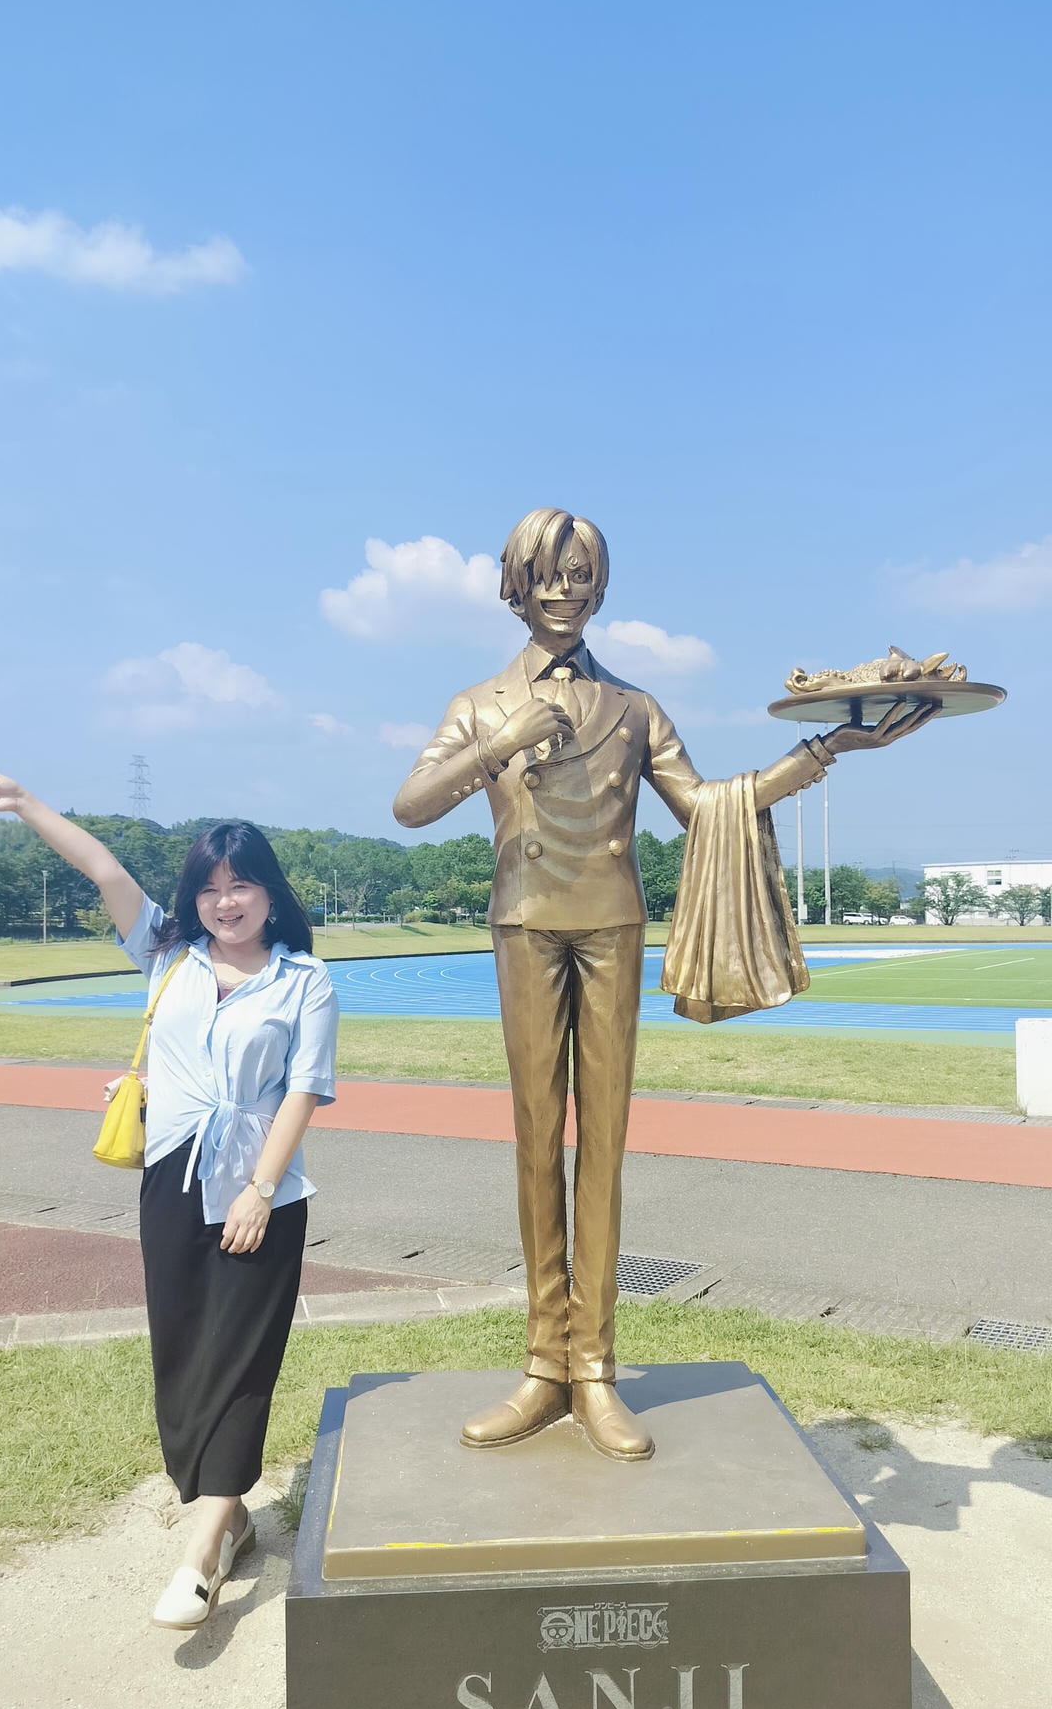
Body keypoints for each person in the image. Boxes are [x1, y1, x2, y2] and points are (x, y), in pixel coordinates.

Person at [392, 508, 930, 1461]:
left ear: (601, 587)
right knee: (533, 1143)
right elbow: (411, 804)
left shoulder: (636, 709)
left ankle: (593, 1367)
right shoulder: (479, 702)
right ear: (515, 584)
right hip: (524, 926)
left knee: (604, 1147)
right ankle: (541, 1365)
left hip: (612, 925)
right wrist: (502, 739)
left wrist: (827, 752)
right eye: (547, 574)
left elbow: (707, 806)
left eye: (582, 574)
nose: (565, 591)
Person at [0, 769, 338, 1627]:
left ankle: (201, 1550)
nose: (225, 902)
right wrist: (21, 806)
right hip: (171, 1177)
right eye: (209, 889)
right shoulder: (168, 956)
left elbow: (304, 1093)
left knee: (241, 1358)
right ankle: (228, 1509)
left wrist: (261, 1192)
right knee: (183, 1350)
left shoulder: (304, 980)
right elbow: (105, 870)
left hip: (260, 1191)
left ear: (269, 894)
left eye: (241, 886)